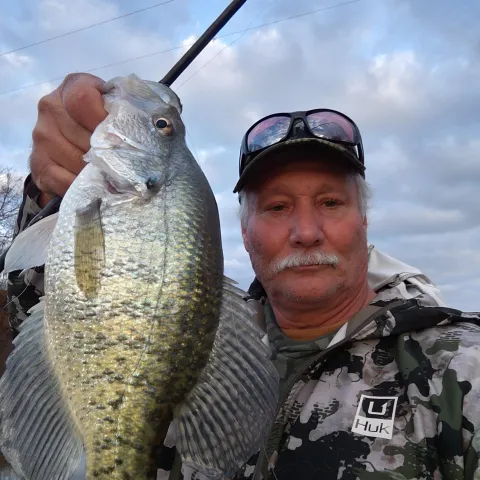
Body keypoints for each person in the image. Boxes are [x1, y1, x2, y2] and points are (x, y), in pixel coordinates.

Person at [5, 73, 480, 480]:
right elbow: (43, 300)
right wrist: (49, 192)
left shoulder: (460, 368)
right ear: (246, 231)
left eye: (331, 202)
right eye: (277, 207)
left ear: (364, 220)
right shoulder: (198, 332)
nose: (306, 232)